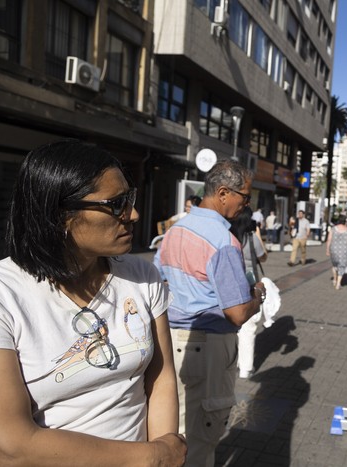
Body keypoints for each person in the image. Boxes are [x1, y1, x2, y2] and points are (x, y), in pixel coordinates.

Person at [0, 140, 186, 465]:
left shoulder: (143, 276)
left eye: (130, 198)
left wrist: (164, 447)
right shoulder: (6, 294)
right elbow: (12, 444)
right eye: (116, 204)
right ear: (60, 215)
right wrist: (150, 457)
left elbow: (161, 376)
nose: (134, 214)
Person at [155, 160, 265, 467]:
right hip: (209, 347)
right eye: (245, 196)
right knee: (202, 441)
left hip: (172, 343)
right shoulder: (223, 240)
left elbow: (157, 283)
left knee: (173, 435)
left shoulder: (174, 231)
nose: (246, 204)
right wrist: (256, 296)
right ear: (223, 193)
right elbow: (237, 313)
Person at [230, 207, 268, 380]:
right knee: (249, 328)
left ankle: (234, 362)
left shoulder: (228, 235)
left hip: (232, 284)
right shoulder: (251, 237)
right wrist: (258, 234)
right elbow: (263, 257)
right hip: (250, 284)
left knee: (233, 327)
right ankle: (245, 368)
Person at [326, 215, 347, 290]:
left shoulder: (333, 229)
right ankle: (338, 284)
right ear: (345, 221)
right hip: (344, 250)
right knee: (342, 266)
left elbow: (329, 239)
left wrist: (327, 250)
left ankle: (334, 280)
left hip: (334, 249)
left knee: (334, 265)